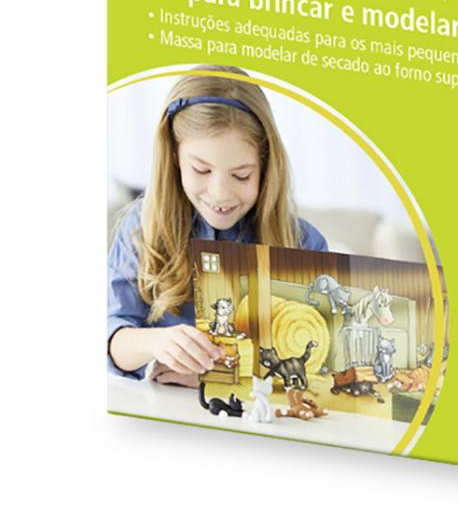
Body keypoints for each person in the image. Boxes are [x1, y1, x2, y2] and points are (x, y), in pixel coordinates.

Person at [107, 66, 327, 383]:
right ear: (174, 157)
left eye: (241, 175)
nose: (220, 194)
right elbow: (112, 337)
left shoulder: (303, 243)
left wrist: (218, 378)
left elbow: (314, 367)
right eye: (201, 170)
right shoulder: (142, 227)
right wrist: (155, 343)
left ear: (266, 166)